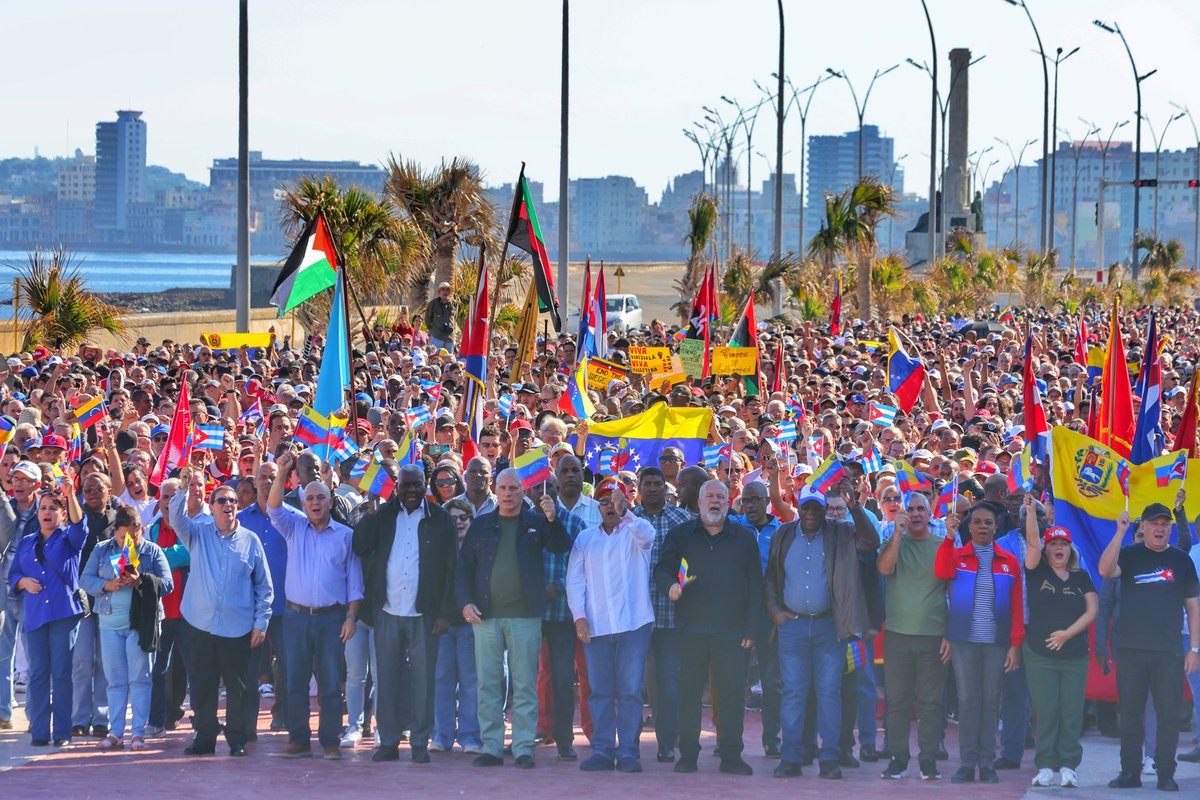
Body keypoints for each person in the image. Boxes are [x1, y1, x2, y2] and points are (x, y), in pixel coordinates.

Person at [455, 468, 571, 769]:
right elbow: (462, 570)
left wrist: (552, 517)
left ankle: (522, 748)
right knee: (488, 685)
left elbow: (561, 545)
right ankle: (492, 747)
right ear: (497, 489)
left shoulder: (536, 522)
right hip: (485, 617)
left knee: (524, 685)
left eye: (514, 489)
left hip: (525, 617)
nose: (508, 494)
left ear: (523, 492)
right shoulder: (480, 525)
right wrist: (465, 602)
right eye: (503, 488)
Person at [764, 481, 879, 780]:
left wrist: (854, 506)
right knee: (793, 693)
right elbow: (771, 578)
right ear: (799, 508)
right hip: (792, 627)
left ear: (825, 509)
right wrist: (776, 612)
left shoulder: (841, 532)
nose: (812, 512)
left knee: (829, 692)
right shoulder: (783, 534)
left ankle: (829, 758)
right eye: (807, 506)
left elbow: (871, 541)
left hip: (830, 626)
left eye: (818, 507)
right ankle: (791, 756)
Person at [654, 479, 764, 777]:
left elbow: (756, 586)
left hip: (731, 631)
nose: (715, 501)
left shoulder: (743, 538)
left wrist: (752, 628)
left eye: (721, 497)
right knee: (688, 694)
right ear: (700, 502)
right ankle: (688, 754)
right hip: (690, 629)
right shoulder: (681, 535)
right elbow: (662, 569)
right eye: (710, 496)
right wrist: (670, 586)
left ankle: (731, 755)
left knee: (730, 694)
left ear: (729, 502)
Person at [352, 463, 457, 764]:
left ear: (425, 485)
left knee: (423, 682)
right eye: (405, 485)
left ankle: (420, 742)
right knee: (386, 680)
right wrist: (369, 517)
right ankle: (388, 741)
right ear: (397, 487)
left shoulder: (440, 519)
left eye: (416, 485)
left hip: (425, 613)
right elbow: (360, 547)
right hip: (387, 610)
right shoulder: (382, 515)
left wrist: (444, 613)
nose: (411, 491)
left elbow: (451, 568)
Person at [170, 469, 273, 757]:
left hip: (237, 629)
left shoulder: (250, 540)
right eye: (222, 501)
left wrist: (261, 623)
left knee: (238, 689)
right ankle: (204, 738)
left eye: (232, 501)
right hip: (200, 625)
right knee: (202, 687)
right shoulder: (197, 533)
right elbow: (176, 518)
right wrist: (183, 486)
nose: (228, 505)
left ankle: (236, 740)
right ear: (211, 507)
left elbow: (264, 586)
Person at [268, 452, 364, 761]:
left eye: (320, 497)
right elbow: (273, 506)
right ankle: (298, 739)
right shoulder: (293, 526)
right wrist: (282, 471)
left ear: (330, 501)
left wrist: (351, 617)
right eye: (309, 498)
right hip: (296, 617)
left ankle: (329, 741)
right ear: (303, 503)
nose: (314, 502)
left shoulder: (346, 536)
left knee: (331, 683)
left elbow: (355, 582)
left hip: (331, 619)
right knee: (294, 679)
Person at [1099, 502, 1200, 792]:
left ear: (1170, 528)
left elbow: (1193, 607)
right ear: (1142, 526)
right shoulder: (1129, 555)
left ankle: (1165, 773)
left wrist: (1195, 649)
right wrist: (1119, 534)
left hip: (1168, 651)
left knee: (1168, 715)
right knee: (1130, 714)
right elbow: (1105, 570)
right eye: (1154, 523)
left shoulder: (1182, 560)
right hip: (1130, 649)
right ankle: (1129, 772)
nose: (1160, 528)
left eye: (1164, 524)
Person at [566, 478, 655, 773]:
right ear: (598, 506)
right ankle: (603, 749)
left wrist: (626, 511)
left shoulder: (635, 531)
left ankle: (628, 751)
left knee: (630, 691)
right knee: (600, 691)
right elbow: (575, 580)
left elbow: (648, 534)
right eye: (604, 502)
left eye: (614, 501)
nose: (609, 507)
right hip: (597, 626)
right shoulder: (586, 538)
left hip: (634, 625)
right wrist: (579, 617)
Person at [934, 502, 1024, 785]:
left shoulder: (1009, 561)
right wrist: (949, 538)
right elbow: (941, 571)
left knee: (989, 703)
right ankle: (967, 763)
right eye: (977, 522)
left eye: (988, 523)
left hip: (996, 643)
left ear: (996, 527)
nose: (983, 527)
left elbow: (1017, 606)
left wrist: (1015, 643)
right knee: (968, 702)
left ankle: (987, 764)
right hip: (963, 641)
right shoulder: (957, 555)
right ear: (969, 527)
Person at [79, 504, 173, 751]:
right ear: (115, 532)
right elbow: (85, 580)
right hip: (109, 623)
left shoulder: (152, 551)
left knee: (140, 678)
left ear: (140, 529)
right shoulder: (102, 550)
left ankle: (138, 731)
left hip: (140, 624)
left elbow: (168, 584)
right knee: (115, 681)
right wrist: (107, 585)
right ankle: (116, 731)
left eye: (133, 536)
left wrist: (141, 581)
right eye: (122, 537)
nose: (127, 541)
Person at [1019, 493, 1097, 788]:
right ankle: (1046, 765)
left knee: (1071, 711)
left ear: (1070, 548)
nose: (1059, 548)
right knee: (1047, 711)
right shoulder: (1036, 571)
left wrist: (1067, 634)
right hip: (1039, 654)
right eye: (1054, 544)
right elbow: (1033, 544)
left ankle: (1068, 765)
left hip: (1075, 654)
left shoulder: (1081, 578)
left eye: (1063, 543)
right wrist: (1029, 513)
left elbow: (1093, 610)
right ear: (1048, 548)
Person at [875, 491, 949, 781]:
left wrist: (951, 635)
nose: (916, 514)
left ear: (930, 514)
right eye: (911, 509)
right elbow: (884, 568)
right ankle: (898, 759)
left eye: (921, 509)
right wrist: (896, 534)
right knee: (897, 702)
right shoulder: (894, 542)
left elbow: (954, 591)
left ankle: (928, 760)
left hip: (933, 637)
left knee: (931, 702)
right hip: (897, 636)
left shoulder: (943, 545)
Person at [7, 476, 86, 746]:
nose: (47, 513)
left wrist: (71, 493)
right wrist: (22, 582)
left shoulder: (69, 538)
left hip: (64, 614)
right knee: (38, 673)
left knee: (61, 673)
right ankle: (40, 731)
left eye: (54, 508)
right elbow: (13, 574)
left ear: (62, 514)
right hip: (36, 615)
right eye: (43, 508)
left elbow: (79, 525)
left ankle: (62, 732)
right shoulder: (27, 542)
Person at [632, 466, 692, 763]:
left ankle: (667, 743)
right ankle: (628, 746)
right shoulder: (626, 519)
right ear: (639, 488)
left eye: (658, 484)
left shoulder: (683, 519)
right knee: (630, 684)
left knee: (668, 680)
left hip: (670, 615)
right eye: (648, 484)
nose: (653, 488)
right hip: (633, 615)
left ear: (665, 488)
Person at [727, 479, 784, 758]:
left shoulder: (782, 531)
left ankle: (771, 739)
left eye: (755, 499)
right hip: (739, 611)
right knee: (734, 679)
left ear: (767, 501)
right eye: (745, 500)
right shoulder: (734, 528)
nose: (750, 505)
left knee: (772, 681)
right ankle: (731, 740)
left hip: (771, 611)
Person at [432, 498, 482, 754]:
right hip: (444, 626)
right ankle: (441, 735)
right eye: (453, 519)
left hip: (471, 626)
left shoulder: (480, 549)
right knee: (442, 681)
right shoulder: (439, 551)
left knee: (470, 682)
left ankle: (470, 736)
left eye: (464, 517)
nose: (459, 523)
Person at [146, 477, 190, 737]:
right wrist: (171, 555)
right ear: (159, 501)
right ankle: (157, 720)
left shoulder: (191, 528)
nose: (169, 503)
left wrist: (160, 555)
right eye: (165, 497)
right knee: (159, 669)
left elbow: (187, 553)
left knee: (194, 669)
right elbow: (146, 561)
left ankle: (199, 721)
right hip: (160, 612)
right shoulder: (151, 530)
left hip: (188, 611)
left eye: (175, 497)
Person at [425, 282, 456, 352]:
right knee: (435, 357)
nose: (445, 292)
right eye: (443, 289)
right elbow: (427, 319)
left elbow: (454, 319)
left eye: (447, 290)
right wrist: (433, 330)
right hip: (437, 336)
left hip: (449, 338)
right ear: (439, 292)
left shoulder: (453, 304)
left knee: (449, 359)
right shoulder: (432, 304)